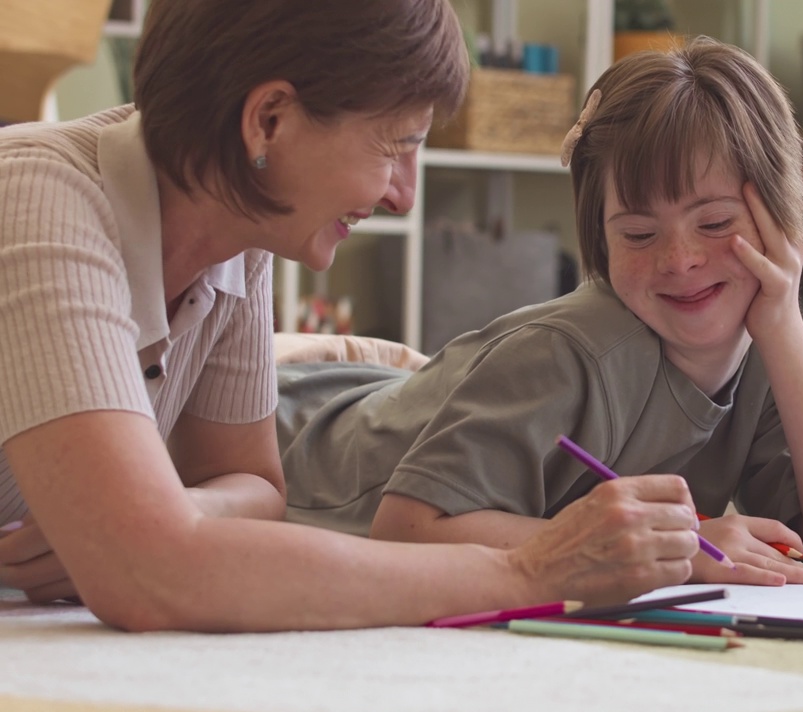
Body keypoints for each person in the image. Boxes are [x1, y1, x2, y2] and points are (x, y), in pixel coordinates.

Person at [0, 0, 701, 632]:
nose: (404, 196)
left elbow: (255, 490)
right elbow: (148, 578)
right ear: (268, 120)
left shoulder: (235, 231)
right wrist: (531, 572)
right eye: (396, 145)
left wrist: (158, 523)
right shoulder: (35, 201)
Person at [277, 36, 803, 584]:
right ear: (600, 239)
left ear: (783, 219)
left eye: (715, 223)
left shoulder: (767, 346)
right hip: (284, 440)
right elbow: (407, 531)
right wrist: (679, 546)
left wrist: (786, 329)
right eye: (638, 235)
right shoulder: (567, 354)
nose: (680, 259)